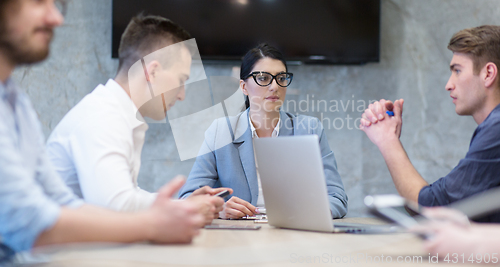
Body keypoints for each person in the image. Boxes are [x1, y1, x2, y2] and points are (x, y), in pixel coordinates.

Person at [0, 0, 215, 258]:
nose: (57, 18)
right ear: (152, 71)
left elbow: (62, 203)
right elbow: (33, 222)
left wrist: (176, 209)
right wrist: (156, 224)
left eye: (54, 1)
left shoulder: (15, 103)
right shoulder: (102, 115)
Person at [46, 13, 229, 218]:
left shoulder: (115, 112)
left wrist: (183, 203)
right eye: (181, 80)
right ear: (152, 72)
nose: (182, 95)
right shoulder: (102, 118)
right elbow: (116, 206)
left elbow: (127, 195)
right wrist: (184, 208)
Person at [178, 43, 348, 219]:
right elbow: (188, 199)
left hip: (295, 231)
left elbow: (337, 197)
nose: (274, 86)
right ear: (243, 87)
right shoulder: (220, 132)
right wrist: (218, 210)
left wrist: (310, 213)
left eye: (281, 78)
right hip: (238, 237)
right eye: (263, 78)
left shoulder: (309, 129)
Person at [360, 26, 500, 222]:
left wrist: (386, 139)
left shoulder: (496, 128)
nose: (448, 84)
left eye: (458, 71)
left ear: (488, 74)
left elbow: (432, 206)